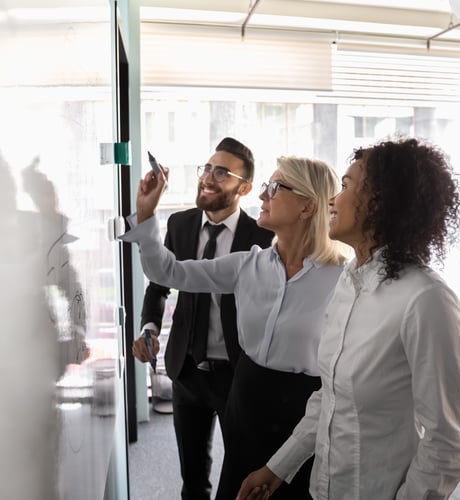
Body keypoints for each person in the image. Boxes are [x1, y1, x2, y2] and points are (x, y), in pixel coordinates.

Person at [236, 137, 460, 500]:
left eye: (345, 186)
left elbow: (446, 443)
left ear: (380, 201)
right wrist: (276, 468)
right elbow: (329, 398)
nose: (332, 199)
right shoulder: (348, 280)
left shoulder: (426, 299)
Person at [121, 154, 350, 499]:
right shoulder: (248, 265)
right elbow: (168, 272)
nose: (262, 195)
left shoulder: (343, 279)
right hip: (246, 398)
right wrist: (146, 213)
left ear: (308, 206)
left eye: (275, 187)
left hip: (305, 411)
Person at [132, 137, 274, 500]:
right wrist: (150, 327)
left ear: (244, 188)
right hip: (187, 371)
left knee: (242, 474)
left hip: (238, 374)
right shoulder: (180, 224)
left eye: (222, 172)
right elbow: (159, 285)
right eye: (207, 168)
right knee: (192, 480)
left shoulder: (262, 236)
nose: (208, 178)